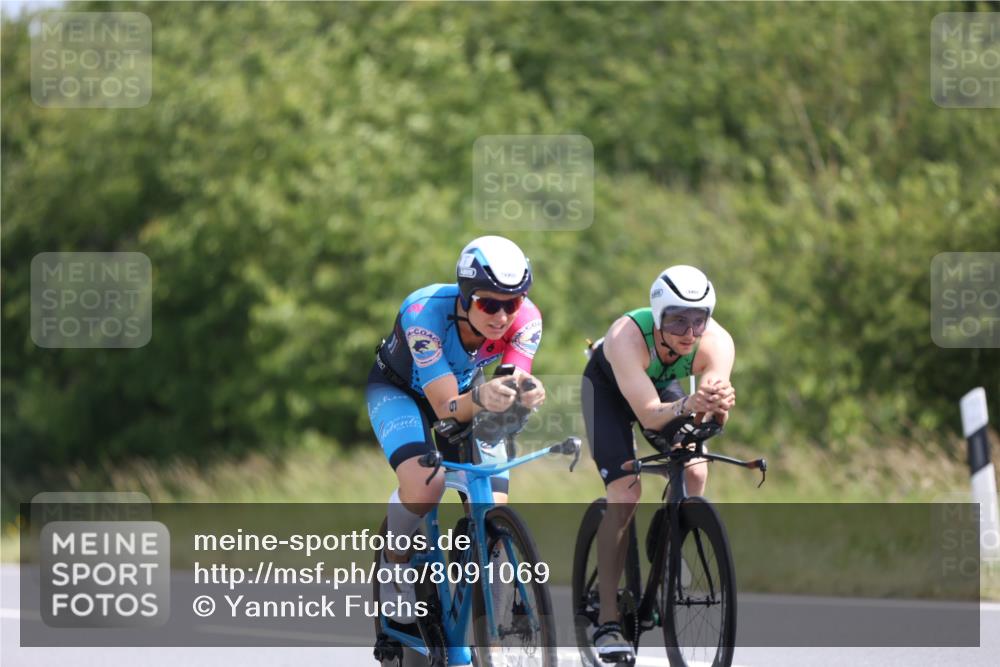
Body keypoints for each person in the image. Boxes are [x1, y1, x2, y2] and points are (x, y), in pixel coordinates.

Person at [366, 235, 545, 623]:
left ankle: (483, 596)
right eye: (489, 303)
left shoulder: (527, 319)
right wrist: (483, 398)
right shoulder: (423, 314)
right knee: (425, 486)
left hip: (463, 391)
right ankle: (394, 563)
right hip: (402, 393)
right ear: (465, 295)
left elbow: (512, 380)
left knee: (492, 500)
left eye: (511, 303)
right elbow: (446, 407)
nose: (501, 316)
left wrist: (524, 392)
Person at [581, 265, 736, 662]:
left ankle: (670, 544)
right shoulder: (626, 337)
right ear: (658, 315)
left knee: (695, 466)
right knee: (626, 492)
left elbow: (709, 415)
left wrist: (717, 409)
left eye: (697, 320)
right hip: (609, 391)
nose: (688, 332)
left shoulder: (716, 342)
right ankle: (608, 621)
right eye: (677, 319)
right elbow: (651, 415)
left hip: (661, 386)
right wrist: (690, 403)